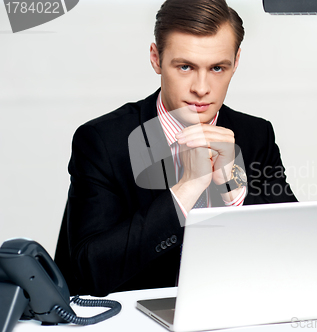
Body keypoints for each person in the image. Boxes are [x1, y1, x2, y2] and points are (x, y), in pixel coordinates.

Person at [55, 0, 297, 297]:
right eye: (185, 66)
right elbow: (87, 273)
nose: (201, 87)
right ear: (156, 59)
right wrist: (185, 192)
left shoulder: (256, 135)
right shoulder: (103, 141)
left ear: (236, 62)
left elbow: (295, 248)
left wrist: (233, 189)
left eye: (218, 68)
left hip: (235, 310)